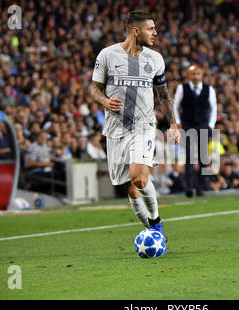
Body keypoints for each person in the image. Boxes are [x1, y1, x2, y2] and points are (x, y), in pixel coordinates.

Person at [90, 10, 181, 247]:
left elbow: (163, 94)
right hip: (115, 129)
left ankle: (156, 222)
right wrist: (104, 101)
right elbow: (94, 89)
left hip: (143, 125)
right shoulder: (108, 55)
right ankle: (152, 231)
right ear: (135, 30)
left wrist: (173, 123)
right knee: (129, 189)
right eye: (151, 29)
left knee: (139, 179)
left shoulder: (155, 59)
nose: (155, 33)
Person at [172, 64, 217, 197]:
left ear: (201, 75)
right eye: (193, 74)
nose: (195, 76)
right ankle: (190, 187)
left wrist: (211, 125)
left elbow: (213, 109)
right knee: (189, 159)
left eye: (198, 74)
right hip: (187, 126)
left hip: (203, 126)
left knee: (203, 159)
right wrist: (178, 123)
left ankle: (200, 187)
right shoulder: (182, 88)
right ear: (188, 75)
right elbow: (175, 106)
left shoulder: (209, 89)